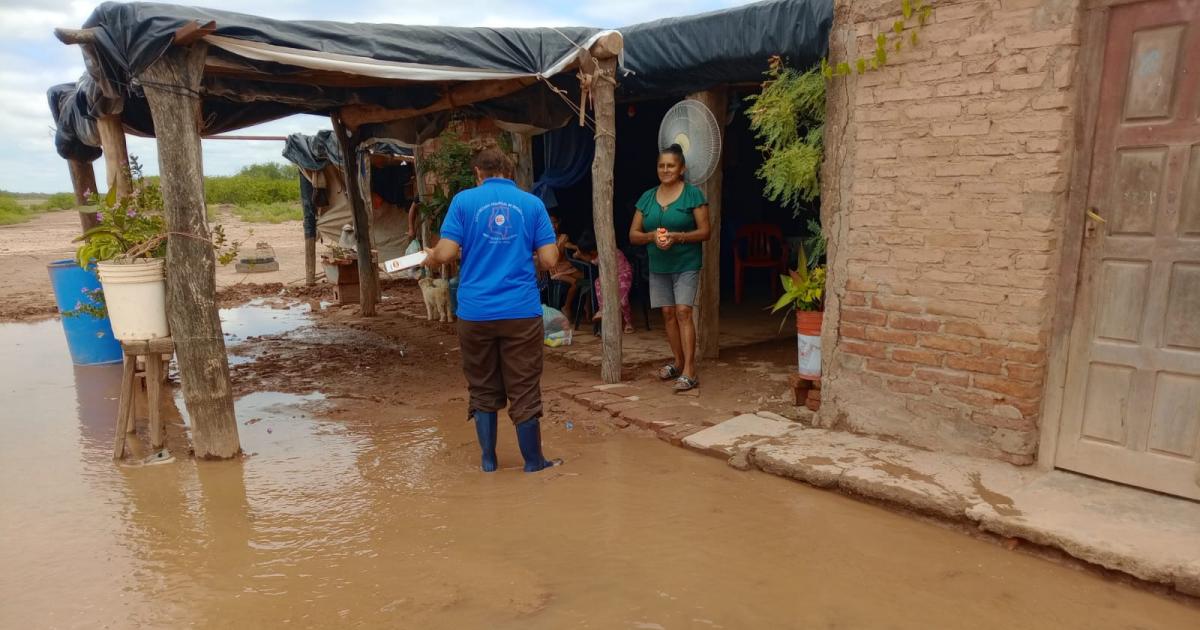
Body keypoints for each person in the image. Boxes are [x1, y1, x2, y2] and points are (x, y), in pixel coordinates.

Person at [424, 148, 562, 473]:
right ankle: (534, 462)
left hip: (475, 313)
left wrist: (430, 257)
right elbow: (550, 260)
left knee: (483, 386)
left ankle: (488, 462)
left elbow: (445, 253)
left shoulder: (463, 202)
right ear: (510, 172)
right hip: (521, 312)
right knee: (524, 386)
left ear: (478, 173)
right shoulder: (532, 204)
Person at [628, 143, 711, 391]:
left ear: (682, 168)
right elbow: (633, 234)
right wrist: (653, 236)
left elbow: (706, 231)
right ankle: (677, 361)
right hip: (659, 263)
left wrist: (678, 237)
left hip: (686, 261)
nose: (666, 169)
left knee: (684, 311)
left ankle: (690, 370)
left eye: (671, 165)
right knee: (667, 313)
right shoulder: (647, 197)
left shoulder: (693, 195)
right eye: (661, 165)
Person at [575, 232, 634, 335]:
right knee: (598, 282)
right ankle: (602, 309)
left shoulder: (608, 251)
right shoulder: (597, 254)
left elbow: (592, 261)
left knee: (622, 300)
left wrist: (579, 255)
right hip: (609, 278)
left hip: (623, 275)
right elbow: (592, 259)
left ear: (593, 251)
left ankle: (627, 322)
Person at [547, 213, 583, 320]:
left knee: (586, 278)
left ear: (559, 223)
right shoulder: (544, 239)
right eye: (550, 223)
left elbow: (568, 245)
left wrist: (578, 247)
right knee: (576, 283)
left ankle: (586, 306)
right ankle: (566, 307)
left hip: (567, 267)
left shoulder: (563, 237)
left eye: (555, 222)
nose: (553, 226)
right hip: (555, 271)